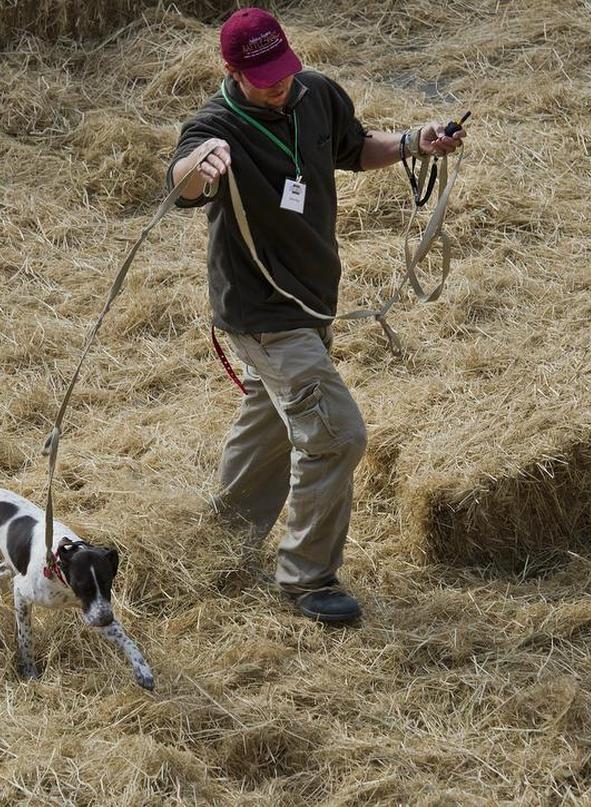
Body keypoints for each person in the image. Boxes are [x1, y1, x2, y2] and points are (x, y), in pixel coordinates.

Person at [167, 7, 464, 623]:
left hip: (311, 304)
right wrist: (199, 169)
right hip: (263, 314)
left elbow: (355, 149)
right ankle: (307, 579)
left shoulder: (316, 93)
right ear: (232, 71)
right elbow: (181, 183)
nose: (279, 85)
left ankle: (219, 544)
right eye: (263, 78)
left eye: (283, 71)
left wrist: (414, 141)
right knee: (335, 436)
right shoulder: (215, 127)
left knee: (270, 427)